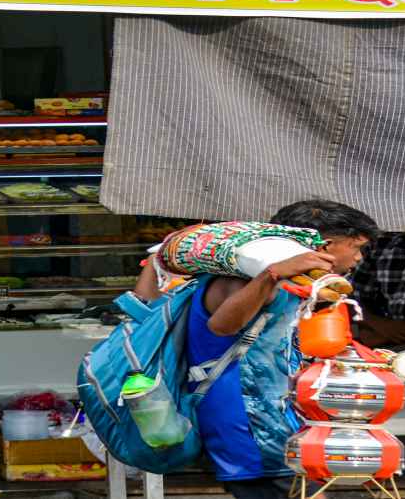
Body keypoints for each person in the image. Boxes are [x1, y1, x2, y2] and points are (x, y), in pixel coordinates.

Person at [133, 200, 379, 499]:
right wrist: (271, 274)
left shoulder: (289, 284)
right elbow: (222, 326)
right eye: (356, 247)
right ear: (326, 246)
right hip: (251, 429)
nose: (358, 258)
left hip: (275, 425)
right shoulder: (247, 281)